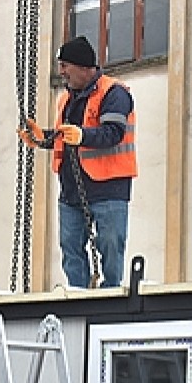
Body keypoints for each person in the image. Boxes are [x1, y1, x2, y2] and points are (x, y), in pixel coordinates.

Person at [18, 36, 137, 288]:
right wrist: (43, 138)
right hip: (73, 190)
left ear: (83, 67)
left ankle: (110, 292)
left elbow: (113, 132)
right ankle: (78, 294)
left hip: (108, 187)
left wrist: (83, 135)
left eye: (65, 66)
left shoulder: (114, 94)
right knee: (71, 248)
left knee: (111, 245)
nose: (61, 72)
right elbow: (67, 136)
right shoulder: (66, 99)